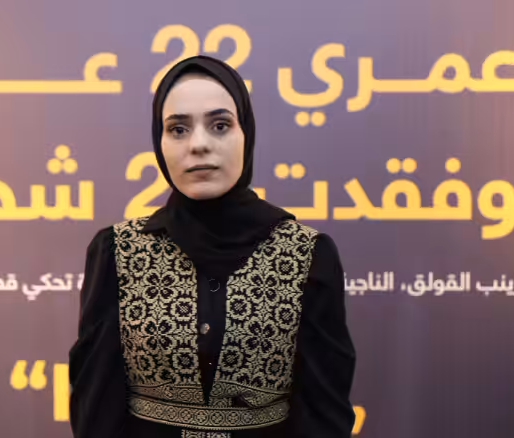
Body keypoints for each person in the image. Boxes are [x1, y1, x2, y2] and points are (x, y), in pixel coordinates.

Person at [68, 55, 356, 438]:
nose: (199, 145)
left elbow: (324, 414)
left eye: (220, 125)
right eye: (178, 129)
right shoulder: (119, 251)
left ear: (246, 134)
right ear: (159, 142)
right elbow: (96, 409)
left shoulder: (305, 254)